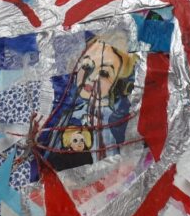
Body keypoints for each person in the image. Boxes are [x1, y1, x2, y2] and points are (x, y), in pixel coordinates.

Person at [42, 33, 136, 171]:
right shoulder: (69, 112)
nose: (91, 77)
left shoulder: (110, 121)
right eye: (86, 66)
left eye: (104, 73)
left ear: (118, 84)